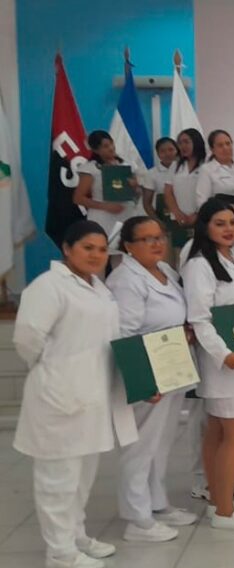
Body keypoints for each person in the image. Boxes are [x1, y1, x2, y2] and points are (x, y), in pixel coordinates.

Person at [14, 221, 136, 568]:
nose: (96, 255)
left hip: (93, 395)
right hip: (59, 395)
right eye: (88, 248)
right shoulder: (49, 286)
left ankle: (77, 536)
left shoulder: (99, 287)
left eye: (101, 249)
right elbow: (27, 339)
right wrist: (56, 370)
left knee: (81, 476)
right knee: (58, 480)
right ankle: (60, 552)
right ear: (67, 248)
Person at [107, 218, 198, 543]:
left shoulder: (166, 272)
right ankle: (137, 518)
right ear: (128, 246)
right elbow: (125, 333)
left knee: (161, 442)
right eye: (146, 239)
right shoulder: (126, 280)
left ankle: (157, 503)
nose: (156, 244)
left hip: (172, 366)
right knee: (140, 445)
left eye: (159, 237)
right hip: (147, 371)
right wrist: (143, 382)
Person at [182, 199, 234, 530]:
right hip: (223, 362)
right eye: (220, 223)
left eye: (232, 222)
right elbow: (199, 319)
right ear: (204, 226)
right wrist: (223, 354)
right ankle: (224, 514)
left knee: (218, 430)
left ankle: (220, 499)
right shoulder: (199, 264)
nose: (229, 228)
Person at [73, 131, 143, 238]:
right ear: (96, 150)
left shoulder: (127, 165)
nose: (111, 148)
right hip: (102, 217)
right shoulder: (91, 168)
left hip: (127, 214)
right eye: (105, 146)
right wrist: (105, 206)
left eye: (111, 144)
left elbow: (137, 195)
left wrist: (135, 187)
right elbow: (78, 198)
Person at [193, 130, 234, 214]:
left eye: (228, 143)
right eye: (220, 145)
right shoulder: (207, 169)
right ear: (212, 149)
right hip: (220, 215)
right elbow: (202, 200)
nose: (225, 148)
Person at [162, 128, 206, 230]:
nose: (183, 146)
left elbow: (211, 193)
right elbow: (168, 192)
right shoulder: (175, 165)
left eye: (186, 142)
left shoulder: (207, 165)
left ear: (196, 142)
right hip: (178, 218)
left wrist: (197, 215)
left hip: (203, 217)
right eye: (180, 143)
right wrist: (177, 213)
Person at [141, 137, 178, 219]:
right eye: (163, 151)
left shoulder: (185, 169)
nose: (168, 154)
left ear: (177, 150)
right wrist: (158, 222)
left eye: (171, 149)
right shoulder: (151, 174)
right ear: (158, 154)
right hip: (165, 216)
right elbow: (147, 204)